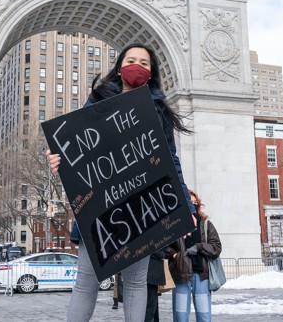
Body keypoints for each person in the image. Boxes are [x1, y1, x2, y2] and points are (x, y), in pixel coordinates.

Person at [46, 43, 195, 322]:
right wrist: (58, 160)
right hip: (98, 206)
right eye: (131, 60)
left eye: (144, 62)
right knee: (86, 282)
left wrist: (186, 206)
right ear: (120, 66)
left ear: (151, 73)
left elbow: (171, 160)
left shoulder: (159, 110)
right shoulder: (98, 99)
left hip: (140, 206)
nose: (137, 65)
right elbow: (77, 147)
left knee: (137, 283)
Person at [166, 190, 221, 322]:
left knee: (204, 316)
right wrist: (174, 255)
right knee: (180, 316)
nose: (194, 205)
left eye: (196, 203)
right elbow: (165, 245)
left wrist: (200, 246)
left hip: (201, 276)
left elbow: (216, 247)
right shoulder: (175, 224)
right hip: (181, 275)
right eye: (190, 202)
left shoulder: (206, 224)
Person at [145, 250, 166, 322]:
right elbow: (161, 254)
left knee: (151, 309)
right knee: (150, 310)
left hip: (150, 277)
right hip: (151, 277)